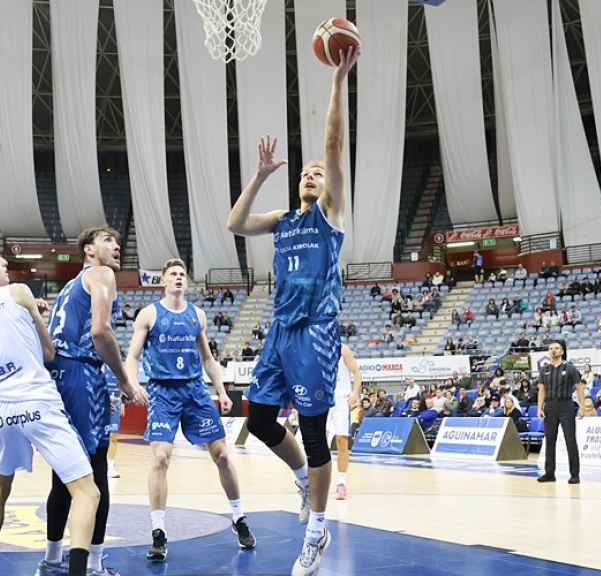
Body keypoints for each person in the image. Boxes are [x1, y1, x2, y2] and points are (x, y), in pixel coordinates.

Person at [225, 45, 358, 576]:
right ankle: (302, 478)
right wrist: (259, 174)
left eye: (318, 173)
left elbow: (332, 143)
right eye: (305, 172)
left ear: (329, 189)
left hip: (316, 333)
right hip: (280, 330)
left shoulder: (331, 216)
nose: (311, 174)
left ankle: (317, 533)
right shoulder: (282, 219)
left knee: (313, 428)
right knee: (256, 418)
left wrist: (337, 80)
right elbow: (235, 224)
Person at [0, 245, 101, 576]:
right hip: (35, 400)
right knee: (87, 492)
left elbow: (3, 330)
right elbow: (48, 351)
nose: (4, 262)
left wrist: (29, 313)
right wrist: (36, 314)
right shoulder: (19, 292)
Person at [125, 259, 254, 562]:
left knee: (222, 454)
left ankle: (239, 518)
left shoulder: (197, 315)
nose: (179, 278)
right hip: (163, 391)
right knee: (159, 457)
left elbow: (208, 359)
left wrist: (221, 391)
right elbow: (132, 356)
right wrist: (133, 384)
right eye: (173, 274)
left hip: (195, 391)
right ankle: (158, 532)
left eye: (182, 274)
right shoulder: (149, 314)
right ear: (164, 282)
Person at [41, 227, 147, 576]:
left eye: (118, 242)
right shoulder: (101, 274)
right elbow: (100, 332)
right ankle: (94, 565)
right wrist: (124, 380)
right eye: (107, 241)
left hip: (59, 374)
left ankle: (52, 559)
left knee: (64, 472)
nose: (116, 247)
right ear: (88, 250)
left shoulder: (69, 287)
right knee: (95, 472)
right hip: (82, 374)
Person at [537, 340, 584, 484]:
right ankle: (549, 473)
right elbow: (541, 390)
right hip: (550, 407)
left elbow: (579, 388)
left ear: (562, 351)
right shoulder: (544, 369)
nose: (553, 350)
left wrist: (582, 406)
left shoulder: (570, 368)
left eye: (556, 348)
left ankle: (574, 474)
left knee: (570, 440)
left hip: (566, 406)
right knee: (550, 441)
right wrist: (539, 408)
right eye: (551, 348)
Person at [326, 345, 361, 501]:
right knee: (319, 444)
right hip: (322, 399)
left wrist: (355, 393)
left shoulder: (343, 349)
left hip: (341, 399)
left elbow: (357, 373)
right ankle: (317, 481)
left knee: (342, 440)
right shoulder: (313, 347)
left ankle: (341, 483)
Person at [102, 367, 125, 479]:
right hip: (99, 402)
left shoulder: (118, 365)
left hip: (115, 402)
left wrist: (123, 401)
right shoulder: (98, 364)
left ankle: (110, 466)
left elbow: (123, 384)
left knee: (113, 436)